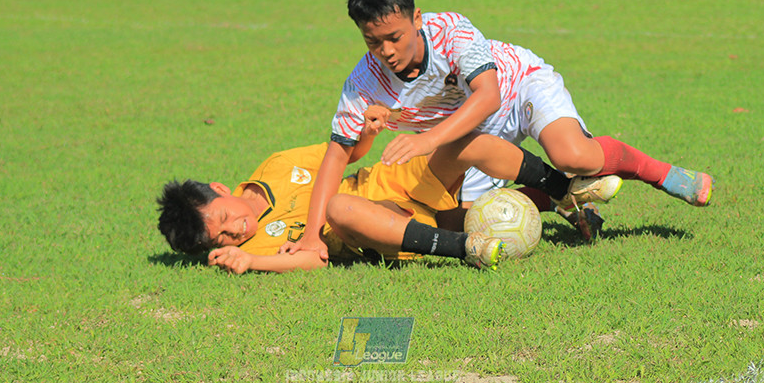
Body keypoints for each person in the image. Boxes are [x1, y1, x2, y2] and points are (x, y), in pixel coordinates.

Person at [288, 0, 713, 259]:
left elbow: (488, 96)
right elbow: (337, 156)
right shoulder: (362, 83)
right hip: (468, 137)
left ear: (416, 18)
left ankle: (661, 173)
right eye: (372, 42)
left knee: (573, 155)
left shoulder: (451, 30)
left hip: (515, 88)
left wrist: (427, 140)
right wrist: (311, 236)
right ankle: (564, 200)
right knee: (459, 224)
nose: (386, 51)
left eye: (394, 37)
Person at [156, 127, 611, 274]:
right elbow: (314, 259)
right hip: (374, 225)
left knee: (466, 143)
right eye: (222, 237)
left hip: (387, 181)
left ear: (221, 189)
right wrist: (251, 261)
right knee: (338, 207)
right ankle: (465, 249)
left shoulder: (275, 165)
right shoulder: (251, 247)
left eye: (224, 218)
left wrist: (367, 132)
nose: (235, 230)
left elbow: (345, 155)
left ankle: (564, 189)